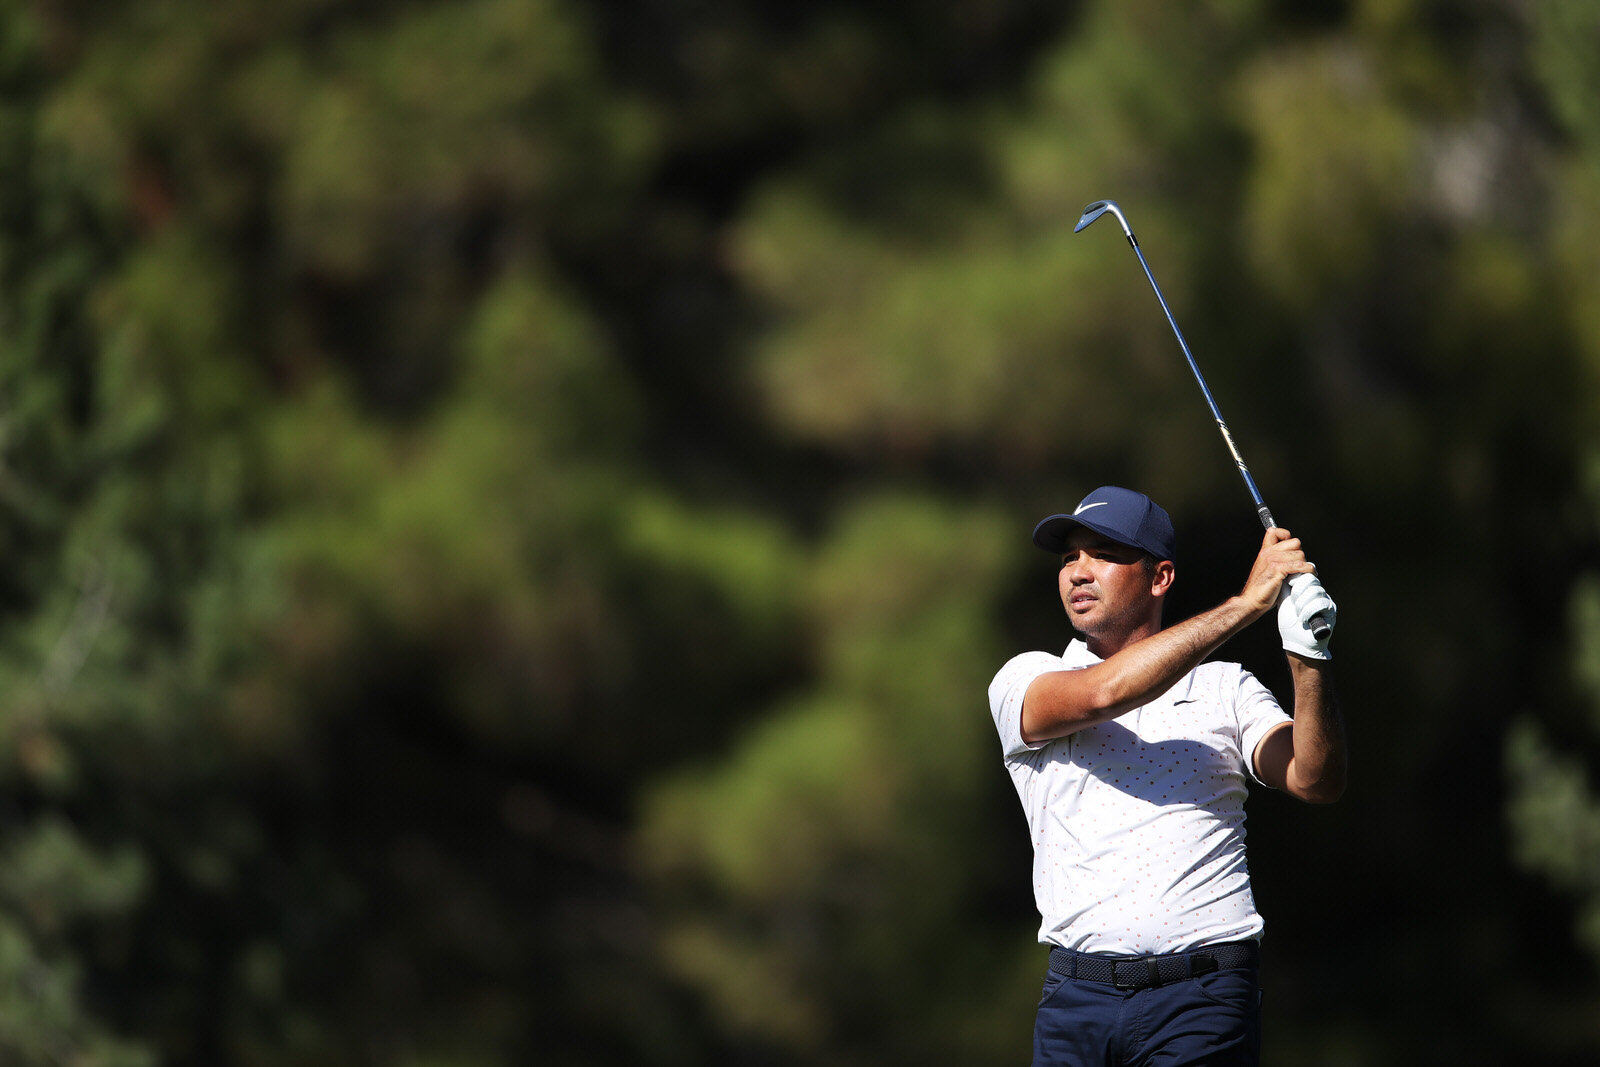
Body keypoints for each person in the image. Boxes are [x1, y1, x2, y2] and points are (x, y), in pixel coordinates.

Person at [987, 486, 1346, 1067]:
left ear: (1159, 578)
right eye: (1068, 558)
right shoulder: (1027, 679)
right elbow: (1107, 691)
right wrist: (1246, 605)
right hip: (1076, 999)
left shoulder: (1226, 688)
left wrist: (1310, 659)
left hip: (1202, 997)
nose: (1078, 571)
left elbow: (1315, 779)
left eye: (1102, 554)